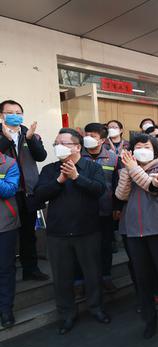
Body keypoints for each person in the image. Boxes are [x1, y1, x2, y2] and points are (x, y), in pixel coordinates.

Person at [34, 128, 110, 334]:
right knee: (62, 277)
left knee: (92, 273)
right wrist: (60, 180)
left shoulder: (91, 167)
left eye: (64, 143)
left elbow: (99, 190)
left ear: (77, 147)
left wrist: (77, 177)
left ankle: (96, 308)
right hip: (58, 233)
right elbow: (39, 196)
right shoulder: (50, 170)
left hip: (88, 230)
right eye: (56, 143)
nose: (58, 146)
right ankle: (67, 314)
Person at [115, 134, 158, 339]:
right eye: (137, 146)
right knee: (141, 277)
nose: (141, 149)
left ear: (154, 150)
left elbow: (152, 187)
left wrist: (133, 169)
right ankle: (149, 319)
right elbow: (121, 195)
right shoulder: (126, 169)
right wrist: (127, 170)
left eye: (146, 146)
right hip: (133, 230)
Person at [0, 100, 49, 281]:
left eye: (19, 112)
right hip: (6, 193)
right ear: (1, 115)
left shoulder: (30, 134)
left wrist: (30, 139)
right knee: (7, 234)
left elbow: (41, 156)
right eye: (10, 111)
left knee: (29, 233)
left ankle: (31, 269)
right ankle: (7, 273)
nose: (16, 115)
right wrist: (5, 139)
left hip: (28, 191)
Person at [80, 123, 120, 293]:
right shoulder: (77, 157)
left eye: (93, 136)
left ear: (103, 140)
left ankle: (106, 276)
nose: (88, 138)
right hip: (81, 211)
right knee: (82, 247)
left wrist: (117, 206)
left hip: (105, 209)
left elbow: (119, 183)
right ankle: (80, 280)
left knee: (105, 246)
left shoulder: (113, 158)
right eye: (86, 134)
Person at [0, 152, 20, 328]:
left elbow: (9, 190)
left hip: (4, 224)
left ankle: (6, 309)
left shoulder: (10, 163)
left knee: (5, 269)